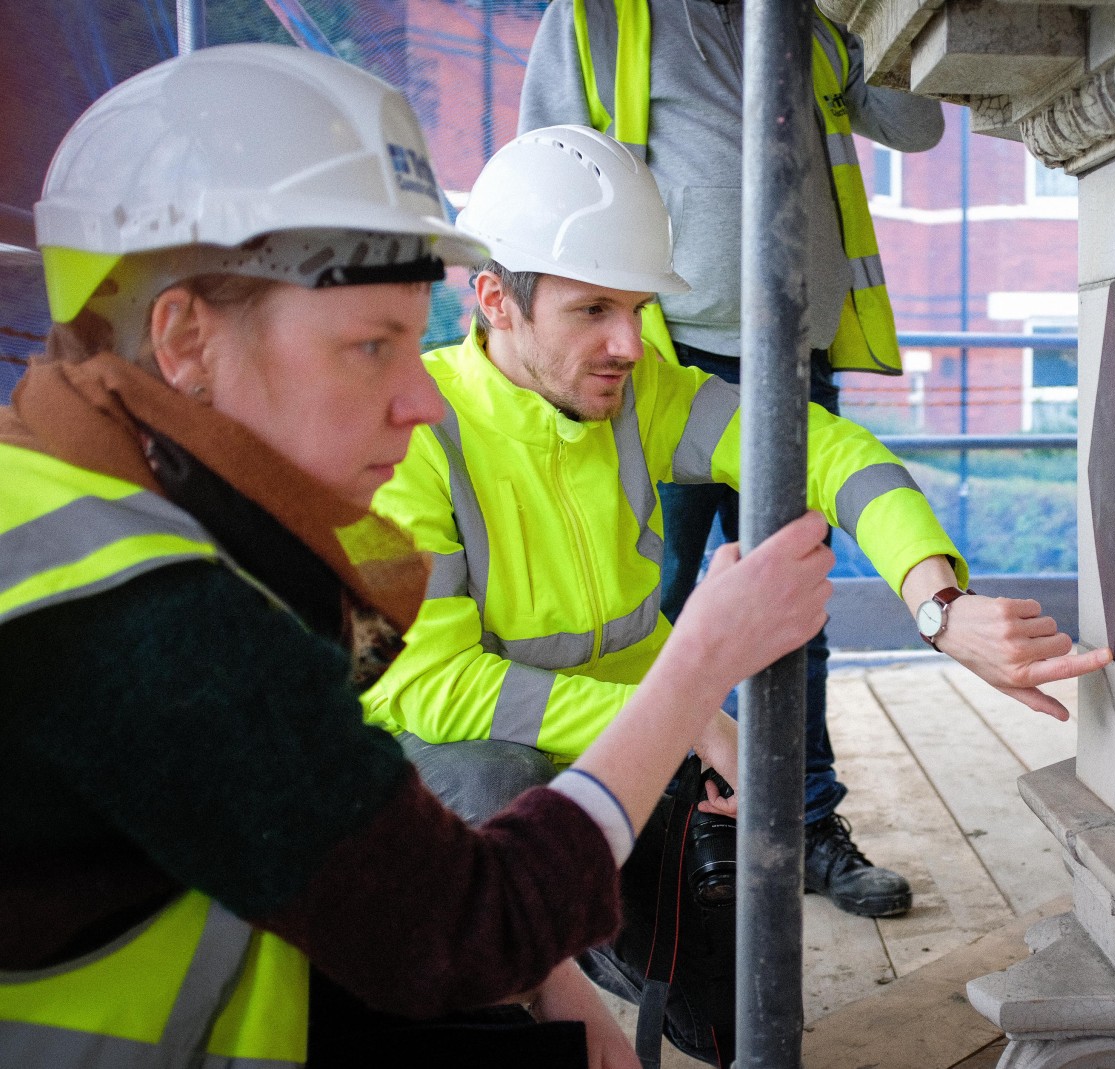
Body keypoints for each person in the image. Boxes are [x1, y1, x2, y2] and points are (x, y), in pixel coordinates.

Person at [0, 44, 834, 1069]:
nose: (424, 398)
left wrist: (555, 988)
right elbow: (460, 929)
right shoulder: (142, 613)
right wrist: (698, 661)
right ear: (185, 341)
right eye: (369, 346)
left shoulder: (92, 507)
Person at [361, 124, 1112, 1067]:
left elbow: (831, 454)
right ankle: (526, 967)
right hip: (495, 770)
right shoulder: (417, 436)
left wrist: (940, 608)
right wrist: (681, 717)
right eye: (593, 309)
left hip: (638, 748)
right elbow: (431, 687)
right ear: (493, 300)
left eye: (637, 308)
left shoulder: (644, 396)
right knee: (487, 793)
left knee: (736, 1013)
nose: (628, 343)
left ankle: (590, 929)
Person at [517, 0, 946, 923]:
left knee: (794, 612)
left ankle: (805, 826)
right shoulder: (601, 15)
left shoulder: (808, 21)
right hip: (654, 360)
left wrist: (878, 26)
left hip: (795, 357)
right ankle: (676, 835)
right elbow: (543, 178)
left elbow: (919, 124)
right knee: (657, 608)